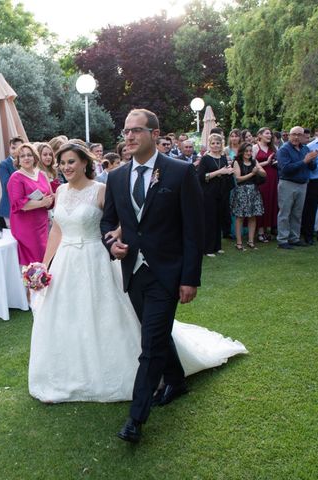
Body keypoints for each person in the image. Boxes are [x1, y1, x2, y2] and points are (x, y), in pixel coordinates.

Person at [28, 141, 246, 413]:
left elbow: (124, 220)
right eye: (62, 163)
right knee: (67, 317)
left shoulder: (101, 190)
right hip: (66, 263)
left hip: (99, 259)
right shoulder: (58, 191)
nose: (66, 167)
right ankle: (67, 375)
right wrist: (45, 265)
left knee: (109, 316)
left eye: (71, 161)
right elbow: (57, 232)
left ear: (85, 162)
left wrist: (116, 237)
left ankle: (146, 371)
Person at [101, 109, 204, 443]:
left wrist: (190, 278)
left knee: (150, 345)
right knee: (156, 335)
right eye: (126, 130)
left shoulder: (180, 172)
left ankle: (136, 418)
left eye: (136, 131)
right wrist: (111, 243)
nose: (129, 137)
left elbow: (193, 230)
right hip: (133, 271)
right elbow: (108, 223)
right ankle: (176, 380)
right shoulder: (116, 177)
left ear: (155, 134)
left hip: (168, 273)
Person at [7, 143, 54, 266]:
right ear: (18, 160)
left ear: (34, 157)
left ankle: (43, 283)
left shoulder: (42, 174)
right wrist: (42, 203)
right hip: (26, 227)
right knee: (32, 262)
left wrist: (49, 201)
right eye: (22, 156)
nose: (26, 158)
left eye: (29, 155)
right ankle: (32, 283)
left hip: (42, 224)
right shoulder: (16, 178)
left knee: (44, 258)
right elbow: (19, 204)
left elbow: (50, 195)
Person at [275, 126, 318, 249]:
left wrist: (312, 159)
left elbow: (312, 167)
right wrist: (304, 161)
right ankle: (282, 240)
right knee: (285, 212)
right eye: (294, 134)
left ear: (303, 136)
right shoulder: (284, 150)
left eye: (299, 134)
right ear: (289, 135)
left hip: (302, 184)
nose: (296, 137)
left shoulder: (305, 149)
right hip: (288, 184)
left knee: (297, 213)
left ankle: (294, 238)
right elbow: (286, 169)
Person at [196, 133, 234, 256]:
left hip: (221, 192)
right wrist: (220, 171)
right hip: (208, 193)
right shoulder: (205, 159)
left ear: (221, 144)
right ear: (209, 145)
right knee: (209, 220)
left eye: (218, 143)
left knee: (219, 219)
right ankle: (208, 249)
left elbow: (224, 172)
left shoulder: (223, 158)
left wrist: (228, 171)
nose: (215, 145)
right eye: (213, 143)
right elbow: (201, 177)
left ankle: (217, 246)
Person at [231, 143, 266, 250]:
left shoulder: (254, 161)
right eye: (246, 151)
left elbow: (264, 174)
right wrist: (252, 173)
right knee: (240, 217)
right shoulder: (237, 162)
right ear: (242, 151)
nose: (249, 153)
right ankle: (239, 242)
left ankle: (251, 241)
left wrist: (258, 170)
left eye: (250, 151)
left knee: (253, 216)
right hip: (241, 191)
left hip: (254, 191)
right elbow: (238, 178)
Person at [252, 127, 278, 243]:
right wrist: (266, 163)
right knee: (262, 203)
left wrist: (275, 162)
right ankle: (260, 232)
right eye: (267, 133)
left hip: (273, 177)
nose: (269, 135)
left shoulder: (274, 148)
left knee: (271, 203)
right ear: (260, 135)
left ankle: (268, 229)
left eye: (270, 134)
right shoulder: (255, 147)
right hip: (261, 179)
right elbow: (250, 164)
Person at [0, 136, 24, 227]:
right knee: (13, 236)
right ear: (9, 148)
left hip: (24, 206)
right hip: (9, 207)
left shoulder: (26, 163)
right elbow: (7, 185)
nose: (15, 150)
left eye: (19, 148)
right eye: (13, 147)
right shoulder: (3, 165)